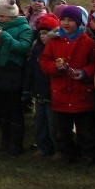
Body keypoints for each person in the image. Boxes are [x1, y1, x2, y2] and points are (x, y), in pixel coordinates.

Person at [39, 6, 95, 165]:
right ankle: (66, 153)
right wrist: (55, 67)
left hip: (82, 93)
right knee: (63, 129)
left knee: (85, 129)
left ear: (78, 22)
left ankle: (87, 154)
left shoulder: (88, 43)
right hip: (61, 92)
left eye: (70, 20)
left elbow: (94, 64)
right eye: (63, 19)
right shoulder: (53, 42)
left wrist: (84, 72)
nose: (66, 23)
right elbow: (44, 61)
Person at [0, 0, 33, 155]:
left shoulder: (24, 28)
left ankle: (16, 144)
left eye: (3, 16)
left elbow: (23, 47)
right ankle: (5, 141)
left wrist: (5, 37)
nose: (0, 19)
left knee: (14, 109)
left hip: (13, 73)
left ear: (12, 15)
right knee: (3, 109)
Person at [23, 13, 59, 158]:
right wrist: (27, 88)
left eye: (46, 33)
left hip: (52, 93)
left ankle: (57, 148)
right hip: (39, 91)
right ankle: (42, 146)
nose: (43, 36)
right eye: (41, 33)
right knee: (40, 122)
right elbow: (31, 69)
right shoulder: (37, 49)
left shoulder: (57, 49)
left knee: (53, 124)